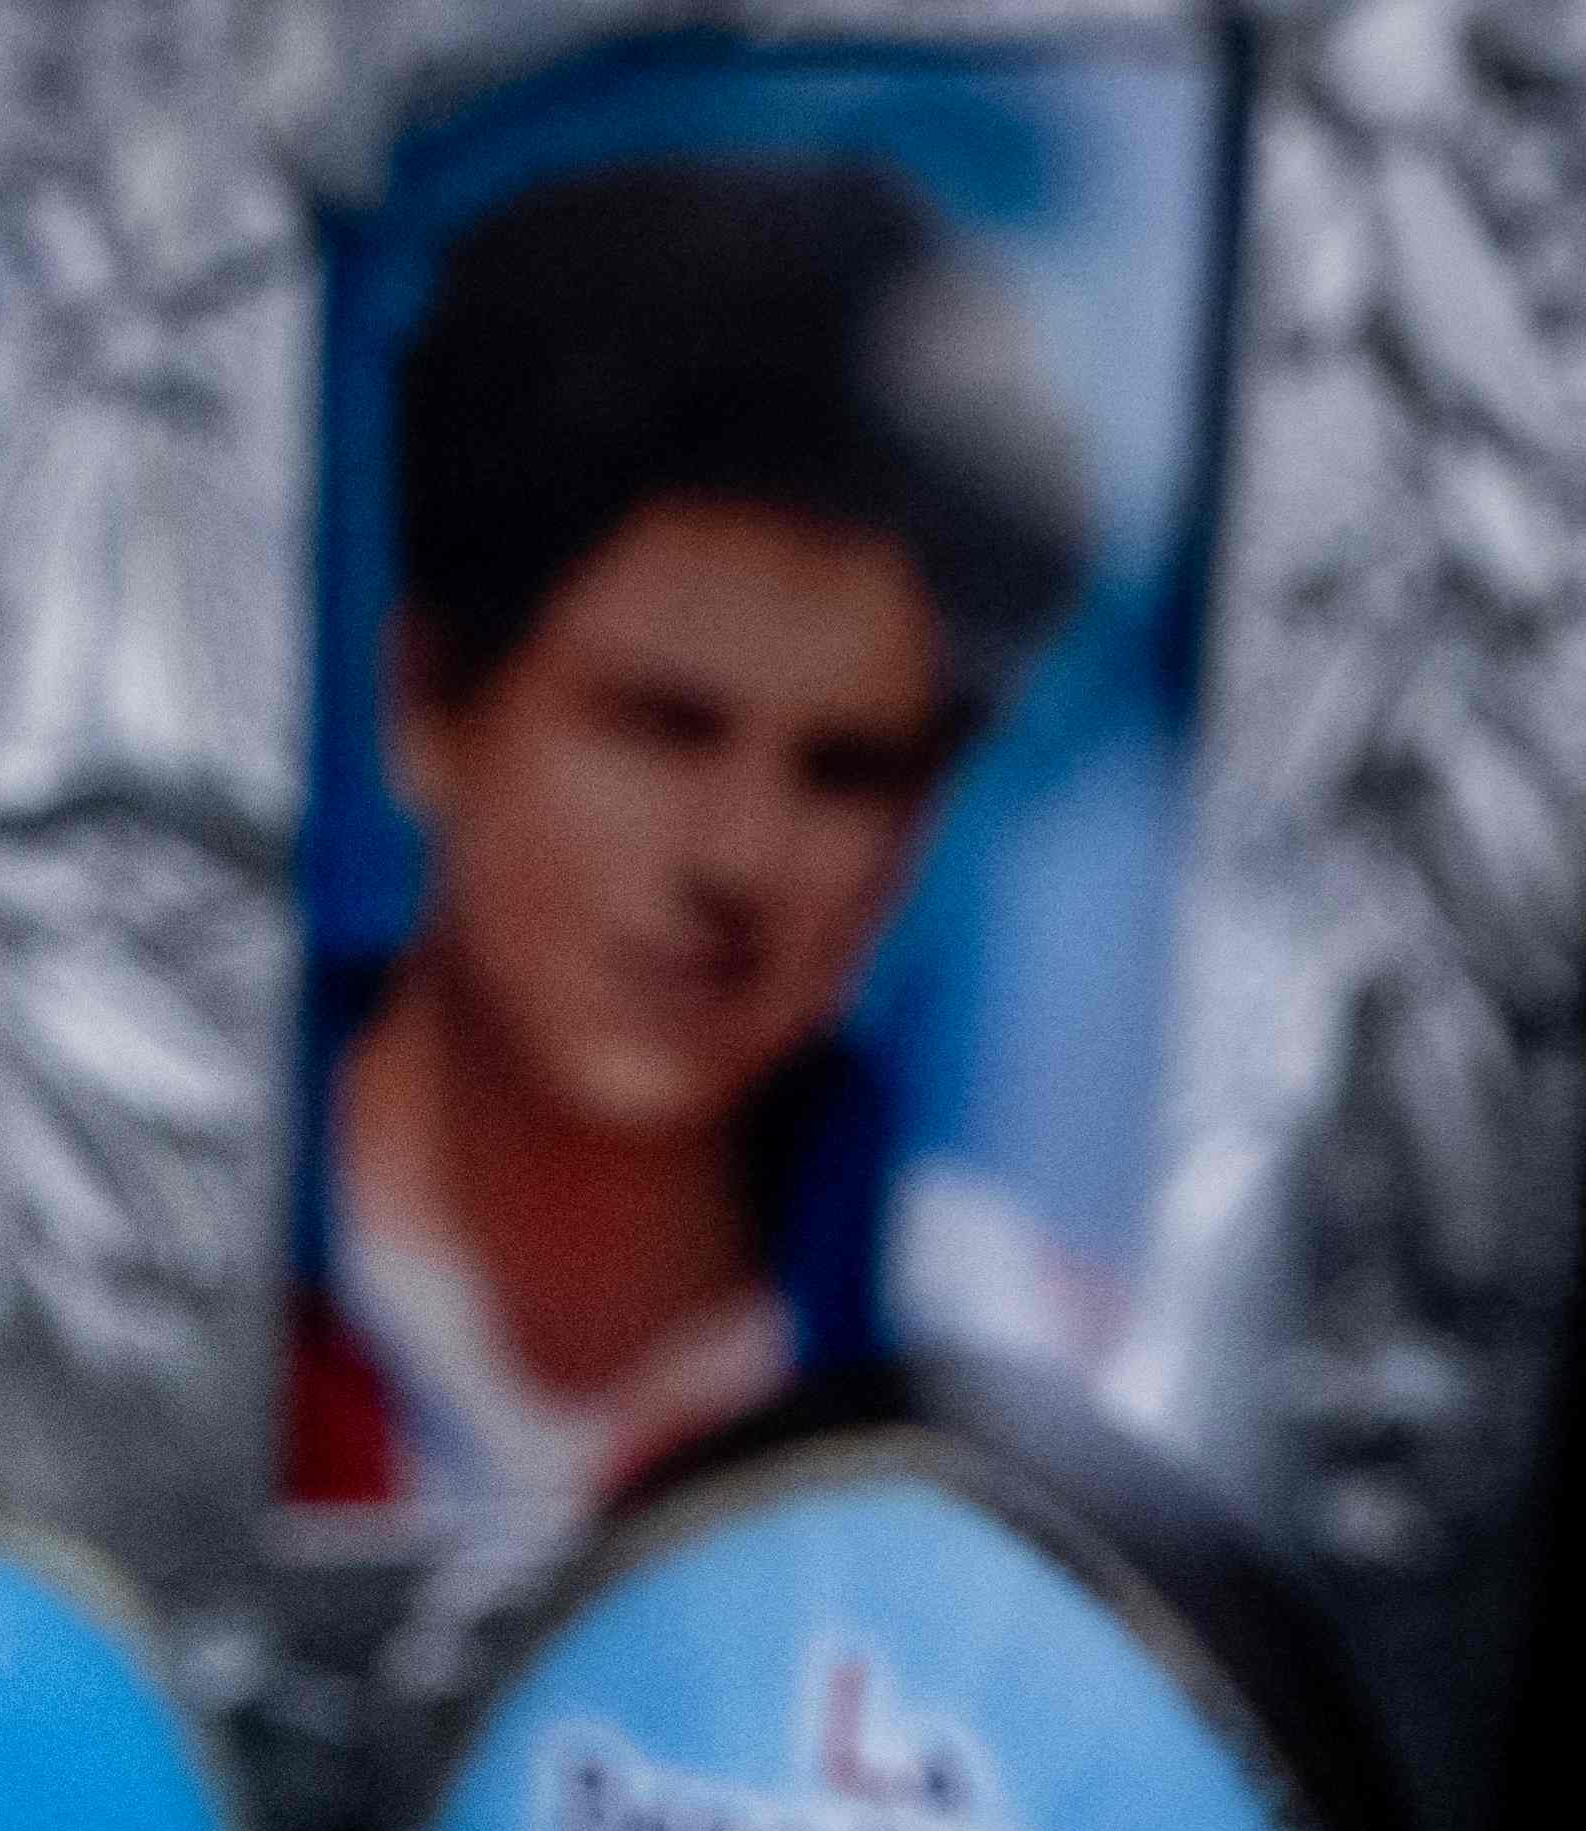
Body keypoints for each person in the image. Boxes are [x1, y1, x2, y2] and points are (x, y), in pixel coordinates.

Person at [288, 148, 1103, 1552]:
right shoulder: (163, 1248)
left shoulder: (1021, 1353)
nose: (738, 859)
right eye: (658, 726)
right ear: (427, 702)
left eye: (846, 770)